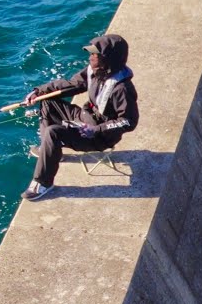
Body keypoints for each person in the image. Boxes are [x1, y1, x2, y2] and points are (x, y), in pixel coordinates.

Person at [20, 34, 138, 201]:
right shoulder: (93, 71)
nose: (90, 57)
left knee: (54, 132)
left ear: (107, 58)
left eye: (94, 54)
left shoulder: (122, 89)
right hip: (86, 117)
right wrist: (39, 92)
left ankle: (43, 182)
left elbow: (128, 121)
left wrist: (96, 130)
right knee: (47, 102)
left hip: (99, 136)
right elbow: (72, 84)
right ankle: (52, 152)